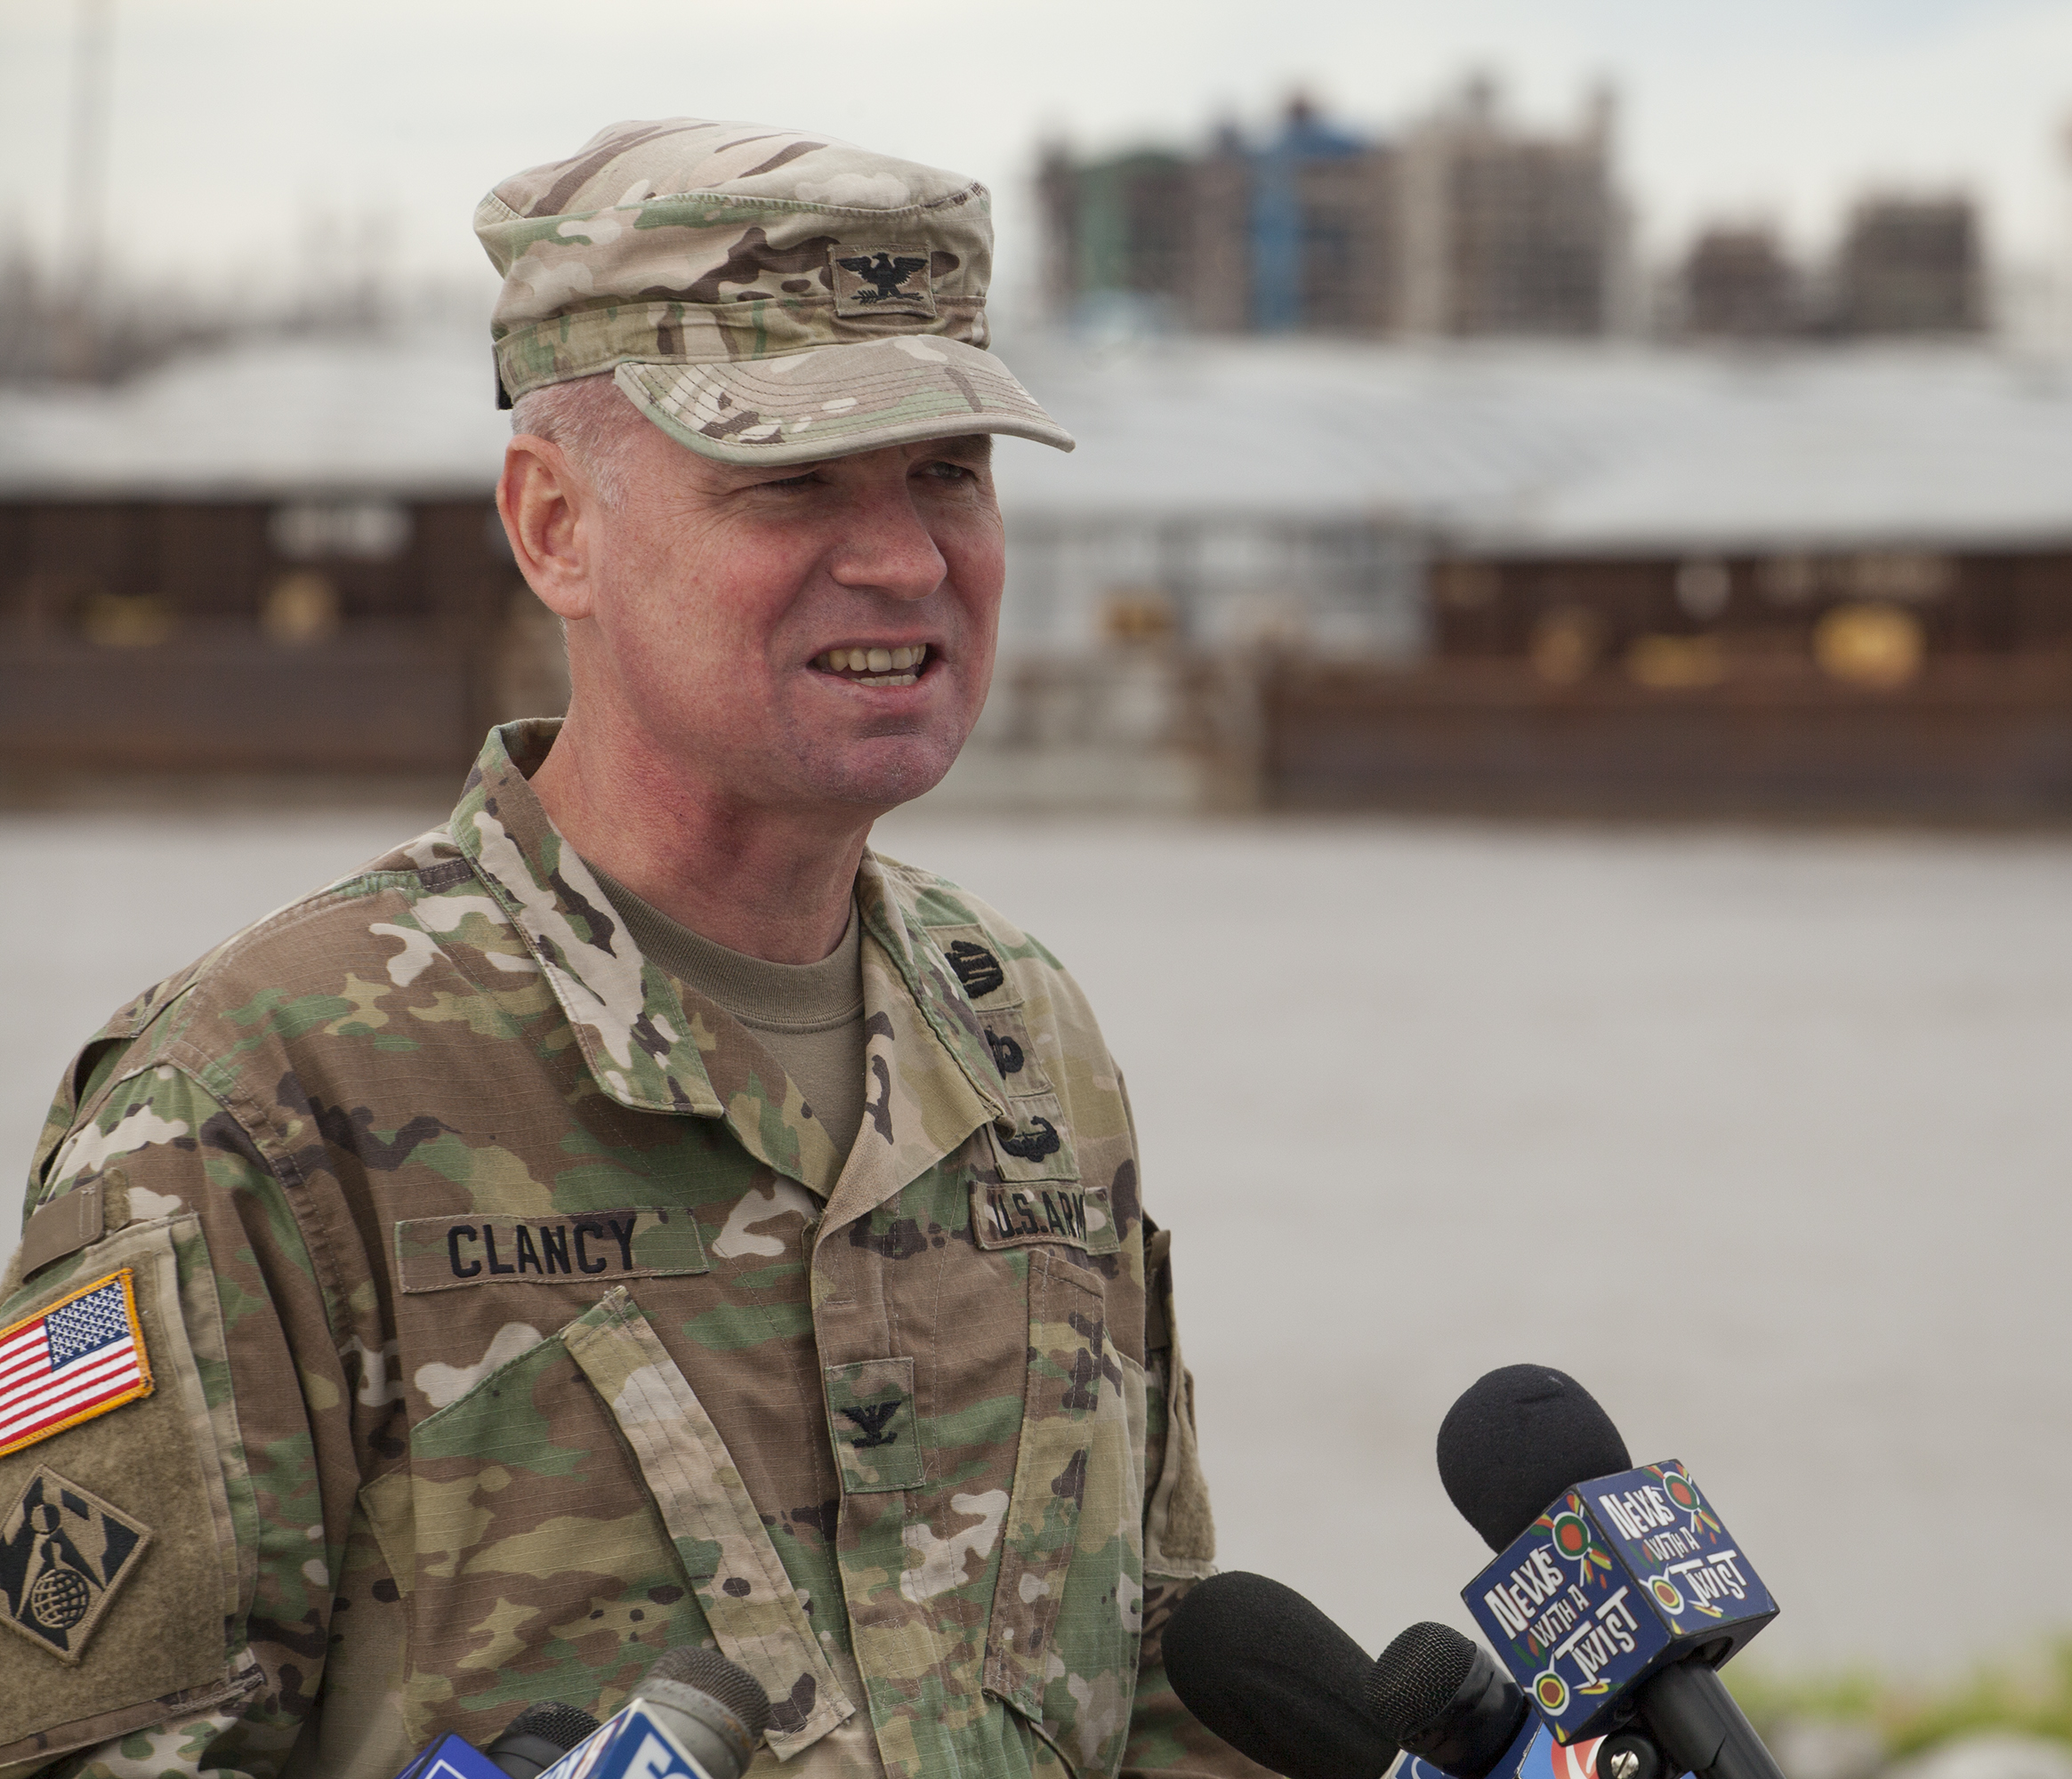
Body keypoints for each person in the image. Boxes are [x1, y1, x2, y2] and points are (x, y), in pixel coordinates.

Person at [0, 119, 1255, 1779]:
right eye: (793, 480)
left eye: (950, 470)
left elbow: (1156, 1686)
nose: (905, 557)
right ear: (555, 528)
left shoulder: (1021, 1035)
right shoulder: (253, 1100)